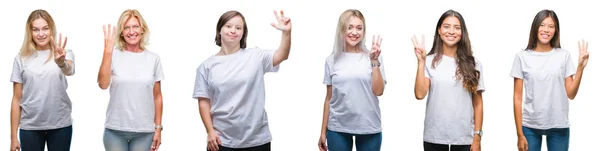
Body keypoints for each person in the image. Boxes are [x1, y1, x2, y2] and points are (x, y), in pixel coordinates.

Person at [192, 10, 291, 151]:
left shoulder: (255, 56)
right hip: (222, 140)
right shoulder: (206, 66)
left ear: (243, 34)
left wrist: (286, 33)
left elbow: (282, 55)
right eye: (228, 26)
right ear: (219, 30)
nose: (233, 31)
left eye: (238, 28)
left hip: (257, 140)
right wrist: (210, 131)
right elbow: (203, 102)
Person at [511, 9, 589, 151]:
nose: (546, 30)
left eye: (551, 26)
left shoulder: (563, 56)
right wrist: (519, 134)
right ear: (535, 27)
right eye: (542, 25)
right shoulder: (521, 57)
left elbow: (571, 94)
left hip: (558, 125)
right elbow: (517, 98)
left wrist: (580, 68)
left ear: (555, 30)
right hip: (530, 127)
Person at [412, 9, 484, 151]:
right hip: (434, 137)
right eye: (446, 26)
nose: (451, 31)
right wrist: (421, 63)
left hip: (464, 139)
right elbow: (420, 94)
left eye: (456, 28)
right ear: (439, 30)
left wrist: (477, 137)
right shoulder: (429, 61)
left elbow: (478, 104)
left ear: (462, 32)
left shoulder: (473, 64)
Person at [317, 9, 386, 151]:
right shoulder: (331, 60)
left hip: (369, 126)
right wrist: (323, 132)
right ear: (342, 29)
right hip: (337, 127)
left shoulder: (373, 57)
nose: (355, 32)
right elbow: (328, 99)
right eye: (350, 27)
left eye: (359, 28)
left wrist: (374, 62)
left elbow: (379, 91)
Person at [97, 9, 164, 151]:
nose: (131, 31)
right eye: (126, 28)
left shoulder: (153, 59)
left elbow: (157, 96)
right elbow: (103, 84)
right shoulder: (113, 54)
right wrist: (107, 51)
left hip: (144, 132)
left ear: (142, 29)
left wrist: (158, 128)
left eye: (135, 26)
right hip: (115, 130)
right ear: (121, 32)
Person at [9, 9, 74, 151]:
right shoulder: (21, 58)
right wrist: (13, 137)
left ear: (51, 29)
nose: (41, 34)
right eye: (36, 30)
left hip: (60, 125)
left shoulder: (64, 53)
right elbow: (16, 99)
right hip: (30, 127)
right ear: (30, 32)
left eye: (45, 28)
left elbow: (69, 70)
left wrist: (61, 62)